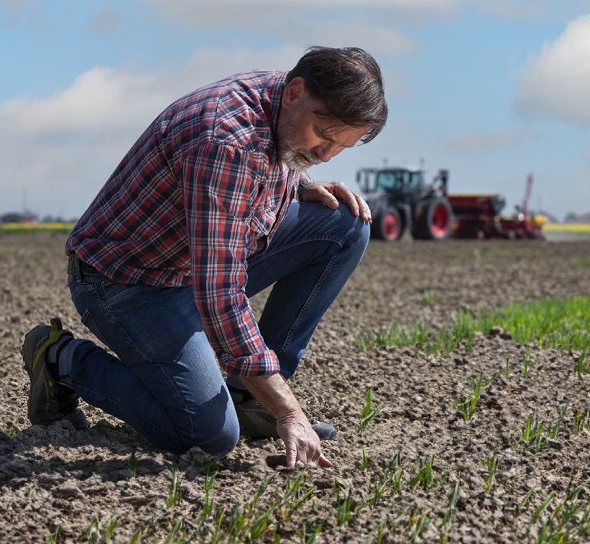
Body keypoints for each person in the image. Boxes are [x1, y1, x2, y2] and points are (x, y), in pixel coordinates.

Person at [21, 46, 387, 468]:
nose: (326, 154)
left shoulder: (283, 101)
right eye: (323, 136)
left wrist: (296, 182)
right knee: (207, 436)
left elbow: (260, 170)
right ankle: (60, 358)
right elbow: (220, 295)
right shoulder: (225, 141)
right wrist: (290, 412)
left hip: (193, 263)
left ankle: (251, 399)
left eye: (341, 146)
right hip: (128, 282)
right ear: (296, 92)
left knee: (343, 224)